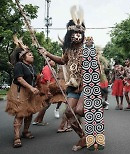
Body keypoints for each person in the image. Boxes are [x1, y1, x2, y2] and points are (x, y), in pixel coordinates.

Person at [38, 6, 86, 151]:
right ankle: (84, 137)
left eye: (79, 33)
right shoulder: (68, 50)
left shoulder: (88, 50)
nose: (77, 35)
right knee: (69, 113)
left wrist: (86, 85)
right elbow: (62, 60)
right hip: (72, 87)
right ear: (69, 34)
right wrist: (46, 53)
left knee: (80, 110)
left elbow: (95, 70)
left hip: (86, 86)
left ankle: (94, 129)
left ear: (82, 34)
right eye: (74, 33)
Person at [5, 36, 47, 148]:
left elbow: (33, 78)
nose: (32, 55)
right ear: (23, 57)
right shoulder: (19, 65)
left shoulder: (31, 66)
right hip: (20, 91)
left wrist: (38, 79)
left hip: (30, 91)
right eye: (29, 54)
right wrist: (31, 88)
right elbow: (19, 79)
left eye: (32, 54)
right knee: (20, 113)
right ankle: (17, 137)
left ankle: (26, 131)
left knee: (29, 112)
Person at [32, 58, 56, 126]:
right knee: (45, 105)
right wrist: (48, 91)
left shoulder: (50, 68)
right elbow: (48, 81)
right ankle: (37, 120)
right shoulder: (47, 68)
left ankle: (39, 120)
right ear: (48, 62)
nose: (54, 61)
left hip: (48, 88)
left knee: (46, 105)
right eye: (52, 60)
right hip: (46, 88)